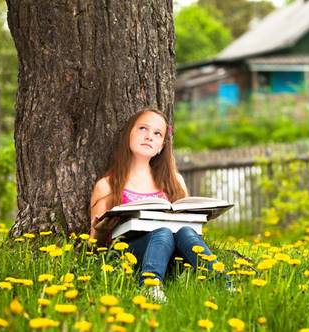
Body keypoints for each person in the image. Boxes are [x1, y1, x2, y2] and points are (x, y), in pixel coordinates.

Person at [89, 107, 217, 302]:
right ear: (128, 134)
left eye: (157, 134)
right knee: (163, 231)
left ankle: (225, 283)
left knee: (184, 232)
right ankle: (150, 287)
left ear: (161, 146)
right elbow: (93, 247)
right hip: (128, 258)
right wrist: (99, 230)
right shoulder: (107, 185)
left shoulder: (175, 182)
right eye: (143, 129)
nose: (149, 136)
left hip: (171, 257)